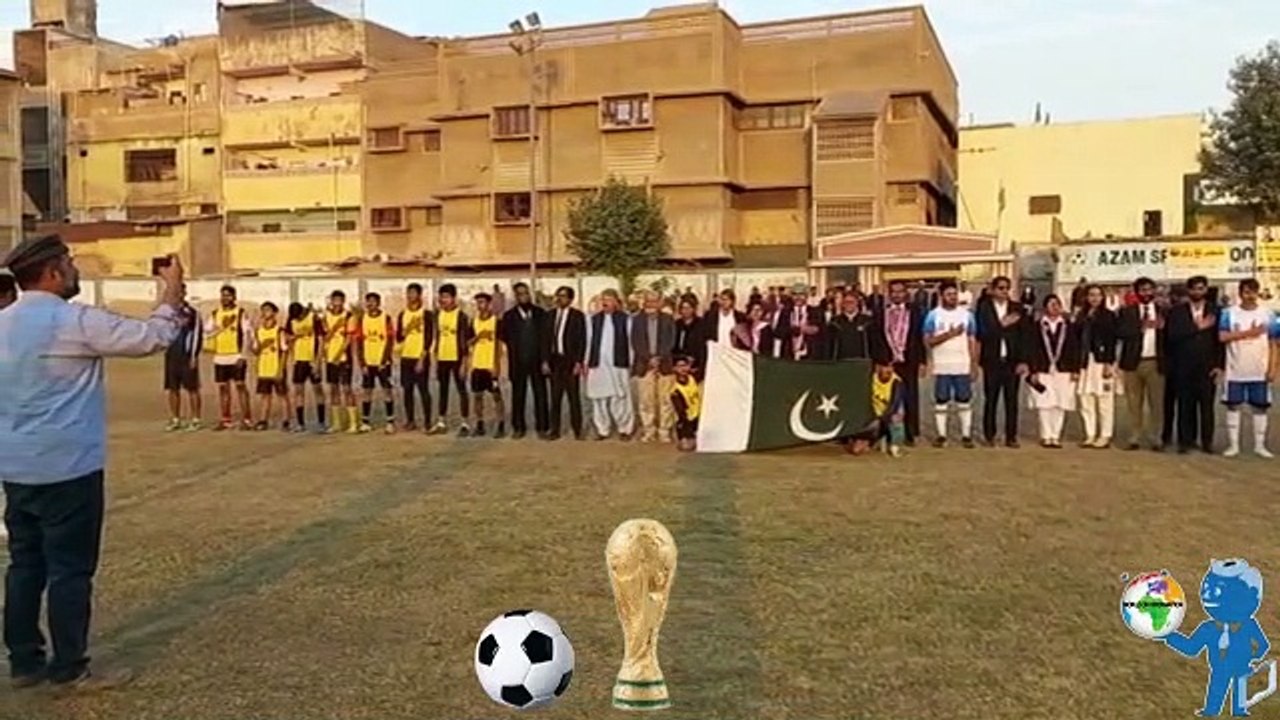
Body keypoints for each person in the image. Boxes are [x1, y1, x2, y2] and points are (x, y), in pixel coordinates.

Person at [0, 234, 186, 690]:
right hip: (68, 467)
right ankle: (69, 667)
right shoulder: (73, 320)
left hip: (16, 466)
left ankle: (24, 661)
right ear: (51, 273)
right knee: (69, 569)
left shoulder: (3, 323)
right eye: (68, 263)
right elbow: (153, 337)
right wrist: (172, 293)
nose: (74, 270)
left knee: (25, 565)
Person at [1217, 278, 1279, 458]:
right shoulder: (1229, 313)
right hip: (1235, 369)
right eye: (1246, 292)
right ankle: (1233, 445)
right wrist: (1249, 333)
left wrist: (1273, 368)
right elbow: (1222, 337)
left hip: (1259, 370)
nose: (1249, 296)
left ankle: (1259, 446)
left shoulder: (1268, 314)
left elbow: (1274, 343)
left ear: (1257, 292)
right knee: (1233, 406)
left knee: (1260, 407)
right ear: (1240, 292)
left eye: (1253, 292)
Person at [1166, 275, 1223, 454]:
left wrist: (1219, 365)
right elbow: (1173, 335)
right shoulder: (1177, 311)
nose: (1197, 292)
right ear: (1188, 290)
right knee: (1185, 405)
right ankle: (1185, 441)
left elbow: (1220, 342)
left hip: (1207, 366)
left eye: (1201, 288)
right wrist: (1197, 328)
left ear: (1206, 290)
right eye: (1194, 289)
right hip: (1183, 366)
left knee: (1206, 407)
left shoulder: (1216, 311)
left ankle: (1207, 442)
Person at [975, 276, 1031, 448]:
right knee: (991, 399)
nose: (1004, 291)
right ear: (992, 289)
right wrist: (1002, 324)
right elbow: (983, 333)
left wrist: (1023, 361)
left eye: (1007, 288)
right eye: (1000, 288)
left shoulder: (1017, 308)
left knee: (1012, 400)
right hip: (992, 361)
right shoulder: (984, 308)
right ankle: (989, 435)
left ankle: (1011, 436)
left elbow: (1024, 336)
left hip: (1012, 361)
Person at [869, 280, 926, 446]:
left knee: (910, 398)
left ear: (906, 293)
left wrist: (922, 360)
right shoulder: (881, 312)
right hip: (888, 362)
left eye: (900, 291)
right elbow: (876, 338)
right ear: (889, 293)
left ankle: (910, 434)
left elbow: (918, 337)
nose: (897, 295)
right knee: (885, 399)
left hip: (909, 360)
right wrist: (880, 361)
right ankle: (884, 433)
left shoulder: (914, 312)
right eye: (893, 291)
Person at [923, 281, 978, 448]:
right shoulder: (933, 315)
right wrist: (949, 334)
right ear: (941, 296)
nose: (952, 297)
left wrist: (974, 363)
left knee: (964, 399)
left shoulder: (967, 315)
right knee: (941, 400)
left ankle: (966, 435)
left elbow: (973, 340)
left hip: (962, 363)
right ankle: (941, 435)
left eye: (954, 294)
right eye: (949, 294)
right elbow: (927, 341)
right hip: (942, 365)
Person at [1116, 277, 1167, 451]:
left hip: (1155, 362)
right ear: (1137, 292)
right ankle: (1134, 436)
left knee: (1157, 403)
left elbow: (1171, 336)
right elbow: (1120, 333)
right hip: (1132, 363)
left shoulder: (1163, 311)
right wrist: (1141, 327)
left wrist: (1163, 328)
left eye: (1149, 290)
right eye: (1143, 290)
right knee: (1133, 402)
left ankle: (1156, 438)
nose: (1146, 293)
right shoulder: (1127, 312)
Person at [1027, 295, 1080, 448]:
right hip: (1043, 369)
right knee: (1044, 403)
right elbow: (1032, 349)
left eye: (1058, 304)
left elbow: (1075, 348)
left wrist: (1075, 369)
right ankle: (1046, 435)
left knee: (1060, 403)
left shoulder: (1068, 326)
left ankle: (1056, 435)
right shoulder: (1037, 326)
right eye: (1051, 304)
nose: (1055, 307)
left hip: (1064, 369)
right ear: (1045, 307)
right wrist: (1034, 370)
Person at [585, 289, 635, 440]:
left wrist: (630, 363)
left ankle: (625, 429)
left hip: (618, 365)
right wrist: (586, 362)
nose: (605, 302)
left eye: (609, 299)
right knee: (598, 399)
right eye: (603, 299)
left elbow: (630, 342)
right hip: (598, 365)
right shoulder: (593, 319)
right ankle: (602, 430)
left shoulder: (626, 319)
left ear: (616, 302)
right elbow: (588, 341)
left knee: (620, 398)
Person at [1075, 284, 1119, 449]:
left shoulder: (1108, 316)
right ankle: (1090, 433)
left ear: (1103, 297)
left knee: (1104, 400)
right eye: (1091, 295)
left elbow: (1111, 341)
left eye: (1098, 295)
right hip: (1085, 362)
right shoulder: (1081, 316)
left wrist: (1109, 363)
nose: (1094, 298)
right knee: (1086, 399)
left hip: (1102, 361)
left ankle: (1105, 435)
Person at [501, 282, 548, 439]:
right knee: (518, 395)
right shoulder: (509, 316)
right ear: (515, 296)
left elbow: (546, 339)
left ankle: (542, 427)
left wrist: (545, 360)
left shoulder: (540, 313)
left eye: (526, 293)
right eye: (520, 294)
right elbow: (505, 338)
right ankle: (518, 427)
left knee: (540, 394)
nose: (524, 296)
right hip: (518, 362)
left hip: (537, 361)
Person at [205, 285, 253, 430]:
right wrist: (217, 330)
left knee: (240, 386)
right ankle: (225, 419)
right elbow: (206, 332)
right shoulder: (215, 314)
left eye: (228, 295)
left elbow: (247, 334)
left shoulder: (241, 313)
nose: (225, 298)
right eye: (223, 295)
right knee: (223, 388)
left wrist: (243, 355)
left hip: (236, 355)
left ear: (234, 297)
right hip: (220, 356)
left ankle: (247, 419)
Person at [631, 291, 676, 443]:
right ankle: (649, 430)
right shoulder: (637, 320)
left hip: (665, 364)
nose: (651, 304)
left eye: (654, 301)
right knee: (646, 400)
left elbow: (670, 341)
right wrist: (649, 359)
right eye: (648, 301)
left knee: (665, 400)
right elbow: (636, 342)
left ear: (660, 303)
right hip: (644, 365)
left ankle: (664, 430)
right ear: (644, 303)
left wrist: (659, 358)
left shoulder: (668, 319)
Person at [430, 283, 473, 437]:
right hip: (442, 358)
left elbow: (465, 341)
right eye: (441, 297)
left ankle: (465, 423)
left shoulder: (462, 317)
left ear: (454, 298)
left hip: (457, 358)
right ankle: (441, 421)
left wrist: (464, 363)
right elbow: (437, 336)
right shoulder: (437, 315)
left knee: (462, 390)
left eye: (447, 297)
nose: (443, 300)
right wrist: (435, 358)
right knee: (443, 390)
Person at [545, 285, 586, 441]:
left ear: (570, 299)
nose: (559, 298)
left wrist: (578, 362)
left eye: (563, 296)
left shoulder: (577, 316)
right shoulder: (549, 315)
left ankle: (577, 429)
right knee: (555, 397)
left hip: (570, 361)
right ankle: (554, 429)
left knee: (573, 397)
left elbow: (581, 340)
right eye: (558, 295)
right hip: (555, 361)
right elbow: (545, 340)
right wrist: (545, 361)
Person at [355, 292, 396, 434]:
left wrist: (384, 360)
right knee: (367, 391)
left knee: (387, 391)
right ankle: (365, 422)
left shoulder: (386, 318)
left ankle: (390, 422)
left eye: (373, 301)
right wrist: (362, 363)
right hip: (368, 362)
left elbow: (390, 340)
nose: (370, 304)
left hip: (382, 363)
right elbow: (359, 341)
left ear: (378, 303)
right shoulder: (362, 319)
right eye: (368, 301)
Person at [846, 363, 906, 458]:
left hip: (888, 413)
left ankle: (895, 445)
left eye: (890, 368)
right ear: (878, 368)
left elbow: (894, 403)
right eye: (885, 367)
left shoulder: (896, 381)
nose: (888, 370)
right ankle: (865, 441)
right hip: (873, 412)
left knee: (896, 417)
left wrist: (883, 418)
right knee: (856, 450)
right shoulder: (871, 379)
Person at [321, 290, 360, 434]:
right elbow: (325, 337)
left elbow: (349, 340)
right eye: (334, 300)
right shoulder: (326, 316)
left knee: (347, 389)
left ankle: (354, 423)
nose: (336, 303)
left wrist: (338, 355)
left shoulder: (349, 316)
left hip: (343, 359)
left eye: (339, 300)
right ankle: (336, 423)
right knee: (333, 389)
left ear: (343, 301)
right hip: (330, 359)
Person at [396, 283, 433, 432]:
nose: (410, 296)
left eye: (413, 293)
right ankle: (410, 420)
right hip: (406, 357)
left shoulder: (426, 314)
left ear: (419, 295)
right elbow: (399, 337)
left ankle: (427, 421)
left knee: (423, 389)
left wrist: (422, 359)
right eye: (408, 293)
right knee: (407, 390)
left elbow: (429, 338)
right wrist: (406, 330)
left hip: (420, 357)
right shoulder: (402, 314)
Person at [470, 292, 506, 438]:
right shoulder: (474, 322)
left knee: (496, 396)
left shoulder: (496, 322)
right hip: (477, 364)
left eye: (483, 302)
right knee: (477, 396)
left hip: (490, 364)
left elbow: (499, 345)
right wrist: (478, 337)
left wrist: (496, 365)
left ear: (489, 304)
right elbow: (467, 342)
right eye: (478, 303)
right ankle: (480, 424)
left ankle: (501, 424)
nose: (480, 305)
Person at [162, 301, 203, 431]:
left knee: (192, 388)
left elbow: (197, 334)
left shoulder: (191, 313)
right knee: (172, 388)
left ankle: (196, 419)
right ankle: (175, 419)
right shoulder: (167, 313)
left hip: (186, 355)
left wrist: (194, 355)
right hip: (171, 355)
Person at [251, 302, 290, 431]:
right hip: (264, 368)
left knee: (282, 395)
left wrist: (281, 369)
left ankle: (286, 421)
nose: (265, 313)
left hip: (276, 367)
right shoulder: (259, 331)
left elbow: (285, 351)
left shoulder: (279, 330)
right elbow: (255, 351)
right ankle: (263, 420)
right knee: (265, 395)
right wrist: (262, 345)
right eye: (263, 310)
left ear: (274, 313)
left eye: (268, 310)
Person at [669, 354, 701, 452]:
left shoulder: (693, 378)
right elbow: (681, 412)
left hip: (698, 414)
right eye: (680, 366)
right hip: (686, 418)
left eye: (685, 365)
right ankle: (684, 437)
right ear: (674, 369)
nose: (683, 369)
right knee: (687, 447)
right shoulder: (675, 390)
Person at [829, 291, 874, 360]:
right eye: (846, 302)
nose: (849, 305)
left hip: (863, 361)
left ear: (857, 303)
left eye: (851, 302)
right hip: (841, 361)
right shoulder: (835, 322)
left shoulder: (867, 321)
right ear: (843, 304)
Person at [672, 295, 706, 378]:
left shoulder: (702, 324)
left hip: (696, 364)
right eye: (683, 308)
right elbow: (673, 345)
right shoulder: (677, 324)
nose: (686, 311)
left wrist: (695, 363)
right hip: (679, 363)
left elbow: (703, 347)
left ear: (693, 309)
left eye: (688, 308)